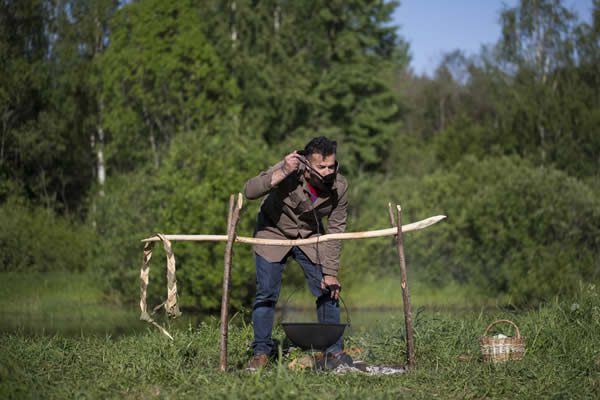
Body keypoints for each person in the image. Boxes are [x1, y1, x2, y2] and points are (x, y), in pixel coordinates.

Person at [243, 136, 353, 370]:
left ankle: (333, 352)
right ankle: (261, 351)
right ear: (306, 162)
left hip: (309, 235)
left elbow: (335, 232)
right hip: (272, 231)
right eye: (320, 167)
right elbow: (250, 191)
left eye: (331, 166)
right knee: (266, 293)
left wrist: (331, 272)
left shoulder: (340, 187)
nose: (326, 172)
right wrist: (282, 171)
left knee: (328, 289)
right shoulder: (289, 168)